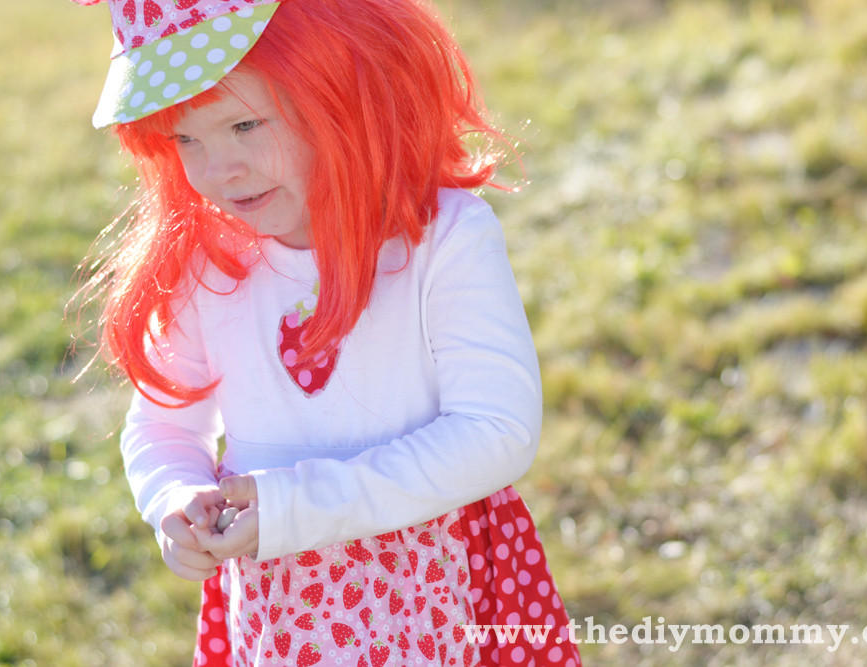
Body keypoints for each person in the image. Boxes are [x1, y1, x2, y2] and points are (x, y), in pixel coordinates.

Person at [74, 0, 582, 665]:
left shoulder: (444, 238)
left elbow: (497, 431)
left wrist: (298, 506)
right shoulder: (210, 262)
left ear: (341, 90)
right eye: (185, 140)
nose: (218, 168)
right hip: (279, 608)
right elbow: (165, 424)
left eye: (245, 124)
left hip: (435, 585)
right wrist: (173, 498)